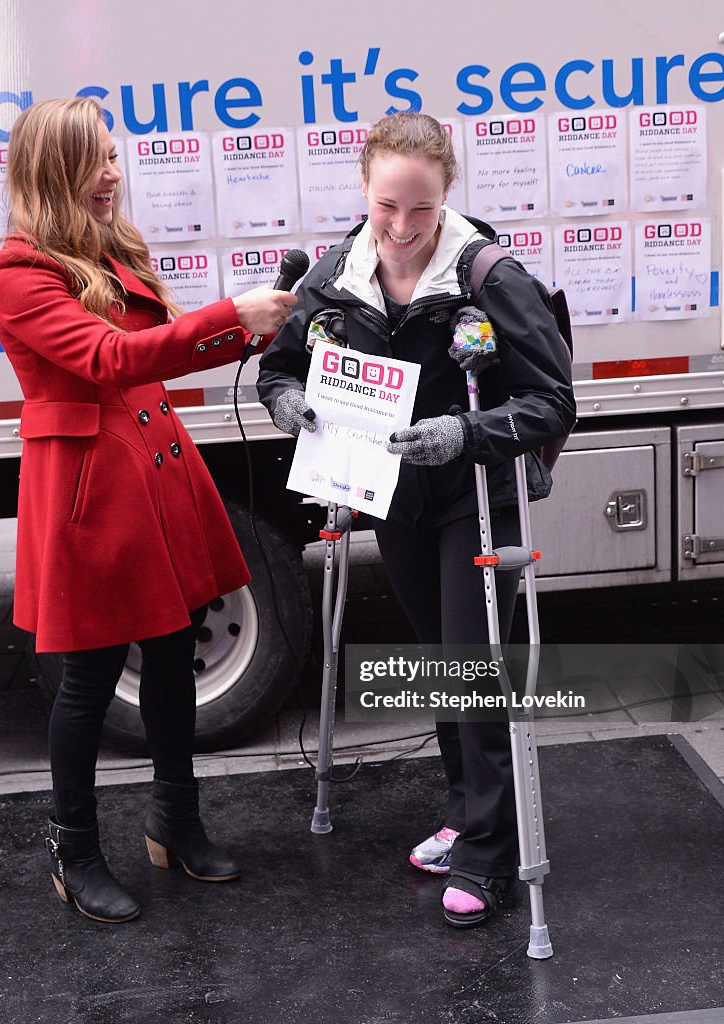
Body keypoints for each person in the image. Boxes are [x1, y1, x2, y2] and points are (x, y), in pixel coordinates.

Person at [257, 112, 575, 928]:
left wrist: (462, 432)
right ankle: (469, 814)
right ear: (364, 191)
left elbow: (552, 401)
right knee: (442, 664)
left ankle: (487, 855)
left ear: (446, 198)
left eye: (421, 210)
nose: (401, 229)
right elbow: (280, 365)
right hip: (390, 493)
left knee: (473, 668)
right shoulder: (338, 271)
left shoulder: (487, 275)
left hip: (473, 495)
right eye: (386, 207)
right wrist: (289, 402)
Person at [0, 97, 296, 924]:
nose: (114, 173)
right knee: (87, 680)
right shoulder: (20, 272)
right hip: (92, 487)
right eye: (96, 160)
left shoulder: (108, 248)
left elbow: (152, 352)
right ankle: (73, 850)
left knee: (171, 651)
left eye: (114, 157)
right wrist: (230, 317)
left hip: (154, 469)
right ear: (54, 171)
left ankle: (174, 819)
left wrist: (244, 332)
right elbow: (107, 359)